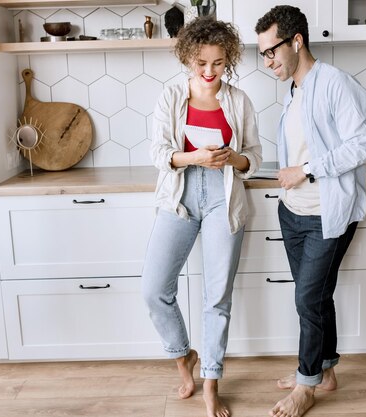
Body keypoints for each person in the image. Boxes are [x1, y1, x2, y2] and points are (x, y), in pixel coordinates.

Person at [255, 6, 366, 417]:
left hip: (327, 212)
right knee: (317, 296)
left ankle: (306, 385)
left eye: (271, 52)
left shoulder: (337, 84)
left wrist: (304, 171)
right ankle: (325, 372)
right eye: (263, 54)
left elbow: (361, 146)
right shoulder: (294, 90)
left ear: (297, 41)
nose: (268, 62)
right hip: (293, 212)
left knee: (307, 298)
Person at [142, 16, 262, 417]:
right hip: (180, 195)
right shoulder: (171, 96)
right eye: (201, 64)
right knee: (155, 288)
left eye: (218, 63)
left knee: (217, 298)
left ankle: (211, 381)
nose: (210, 72)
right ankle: (183, 358)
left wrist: (234, 158)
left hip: (223, 198)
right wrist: (195, 157)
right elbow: (158, 154)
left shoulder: (239, 100)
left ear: (228, 60)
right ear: (187, 59)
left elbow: (255, 158)